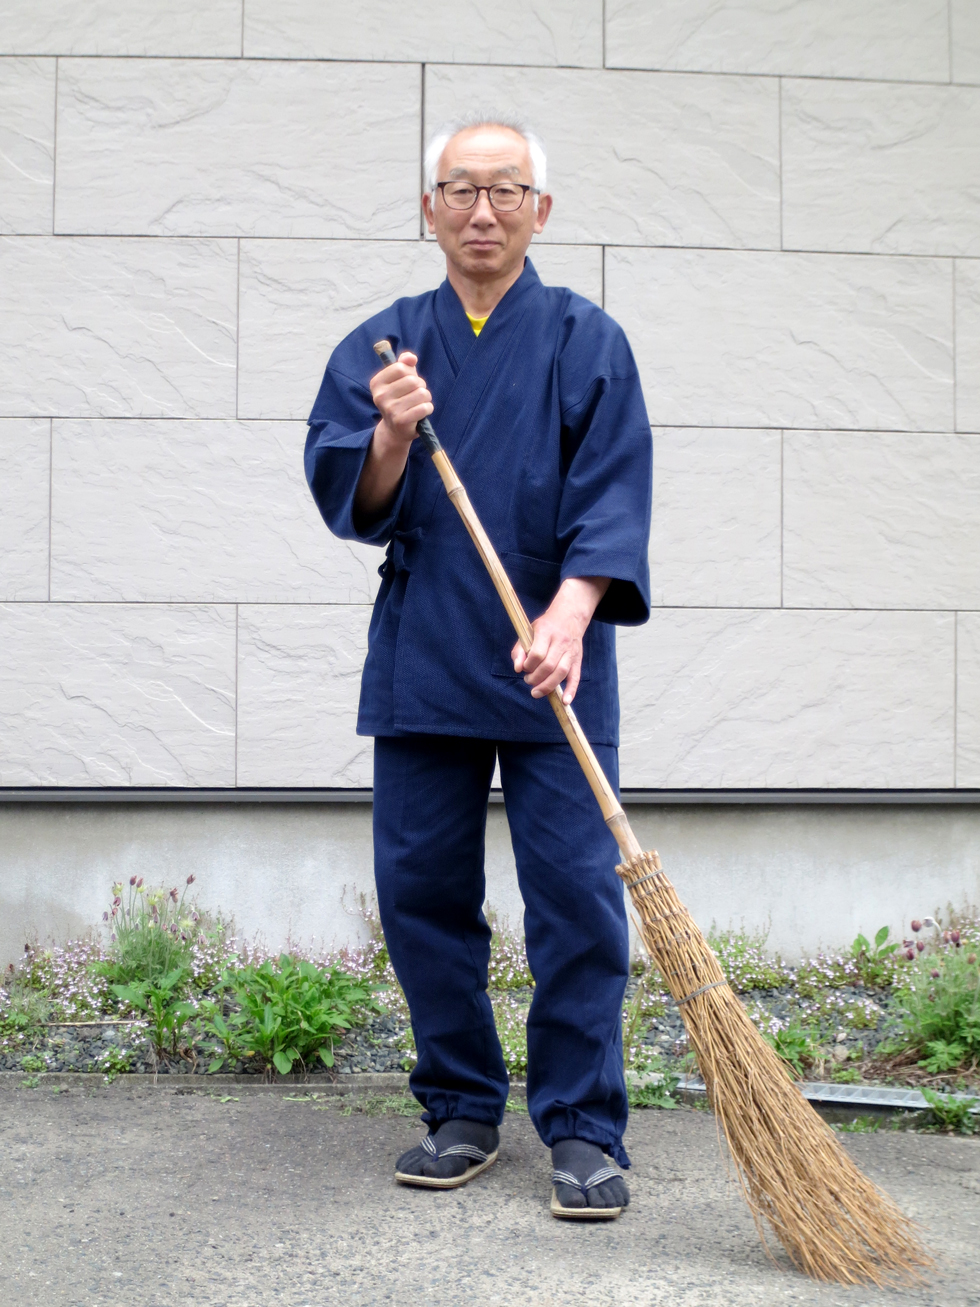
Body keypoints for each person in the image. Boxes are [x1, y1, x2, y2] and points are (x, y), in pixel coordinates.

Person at [305, 111, 652, 1219]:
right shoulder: (385, 345)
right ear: (428, 210)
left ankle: (583, 1125)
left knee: (574, 900)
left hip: (553, 658)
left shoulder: (583, 339)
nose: (482, 210)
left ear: (539, 210)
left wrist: (570, 611)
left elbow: (614, 492)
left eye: (505, 190)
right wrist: (393, 435)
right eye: (460, 189)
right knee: (421, 894)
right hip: (428, 652)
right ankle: (459, 1104)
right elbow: (350, 501)